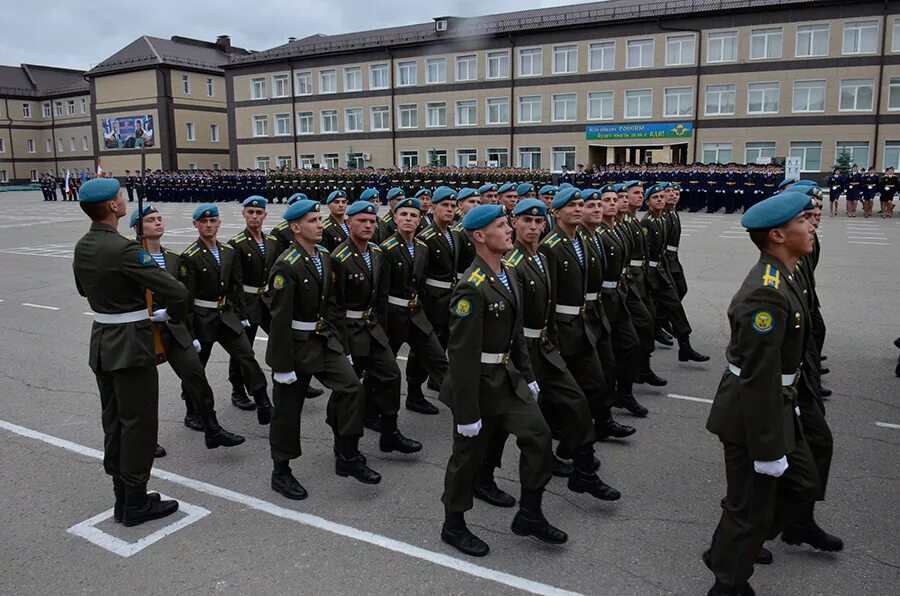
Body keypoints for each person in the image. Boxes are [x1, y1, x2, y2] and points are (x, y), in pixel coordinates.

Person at [703, 191, 822, 596]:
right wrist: (768, 447)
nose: (811, 225)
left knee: (802, 484)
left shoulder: (787, 275)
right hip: (752, 414)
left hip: (780, 404)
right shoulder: (765, 293)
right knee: (751, 507)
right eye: (803, 221)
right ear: (777, 235)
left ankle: (728, 548)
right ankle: (728, 582)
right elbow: (757, 378)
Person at [440, 204, 566, 557]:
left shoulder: (508, 272)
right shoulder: (471, 287)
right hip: (478, 384)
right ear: (480, 236)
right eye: (500, 226)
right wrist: (466, 412)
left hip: (509, 378)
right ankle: (453, 524)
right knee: (467, 457)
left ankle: (530, 514)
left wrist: (529, 376)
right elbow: (461, 356)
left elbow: (516, 334)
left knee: (539, 436)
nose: (509, 229)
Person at [73, 177, 186, 527]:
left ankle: (122, 497)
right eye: (120, 197)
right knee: (138, 422)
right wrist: (170, 312)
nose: (123, 200)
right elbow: (176, 291)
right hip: (131, 343)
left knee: (115, 420)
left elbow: (82, 289)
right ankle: (135, 502)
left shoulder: (83, 245)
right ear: (112, 207)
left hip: (103, 340)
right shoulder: (124, 249)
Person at [267, 199, 381, 500]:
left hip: (325, 339)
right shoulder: (285, 266)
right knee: (287, 411)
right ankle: (281, 471)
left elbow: (333, 306)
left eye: (319, 219)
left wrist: (342, 346)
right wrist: (281, 366)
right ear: (295, 228)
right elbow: (278, 319)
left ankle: (347, 454)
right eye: (312, 221)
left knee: (352, 389)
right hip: (295, 346)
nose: (320, 225)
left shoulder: (325, 257)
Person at [130, 205, 245, 451]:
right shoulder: (131, 257)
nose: (158, 222)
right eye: (150, 220)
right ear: (137, 228)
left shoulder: (173, 257)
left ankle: (211, 428)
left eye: (160, 218)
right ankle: (145, 441)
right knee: (143, 390)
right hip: (143, 330)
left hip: (173, 326)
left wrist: (183, 324)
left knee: (195, 373)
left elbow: (185, 296)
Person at [540, 188, 636, 441]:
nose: (579, 209)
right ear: (556, 212)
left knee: (601, 375)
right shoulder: (550, 246)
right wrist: (552, 333)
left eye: (581, 204)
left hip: (589, 317)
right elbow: (548, 295)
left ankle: (602, 422)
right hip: (564, 325)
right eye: (572, 205)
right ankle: (559, 433)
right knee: (563, 386)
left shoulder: (583, 240)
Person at [332, 200, 422, 454]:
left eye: (372, 221)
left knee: (391, 375)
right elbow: (334, 307)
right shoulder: (339, 257)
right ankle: (344, 445)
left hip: (372, 327)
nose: (368, 225)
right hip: (350, 331)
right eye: (362, 220)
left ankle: (390, 433)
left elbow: (381, 298)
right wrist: (343, 346)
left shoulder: (376, 253)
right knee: (348, 390)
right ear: (349, 222)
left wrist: (381, 328)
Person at [178, 204, 273, 429]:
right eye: (203, 222)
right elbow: (187, 299)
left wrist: (241, 314)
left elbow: (235, 286)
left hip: (226, 314)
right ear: (195, 225)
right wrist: (189, 333)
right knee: (196, 368)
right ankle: (192, 412)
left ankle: (263, 401)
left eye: (213, 221)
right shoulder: (189, 257)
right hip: (202, 318)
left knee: (246, 355)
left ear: (220, 223)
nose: (209, 225)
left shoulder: (227, 252)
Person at [380, 197, 449, 415]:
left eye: (413, 216)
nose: (408, 219)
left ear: (420, 220)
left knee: (437, 358)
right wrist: (380, 327)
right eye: (403, 215)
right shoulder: (386, 250)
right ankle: (372, 413)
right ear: (395, 218)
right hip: (393, 316)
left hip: (416, 313)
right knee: (383, 368)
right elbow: (380, 294)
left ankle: (462, 408)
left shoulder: (421, 247)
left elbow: (421, 283)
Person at [642, 184, 709, 363]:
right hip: (654, 271)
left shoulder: (664, 217)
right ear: (647, 202)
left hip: (663, 266)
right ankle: (666, 336)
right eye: (658, 197)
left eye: (663, 197)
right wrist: (649, 276)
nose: (664, 199)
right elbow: (646, 252)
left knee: (674, 301)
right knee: (671, 305)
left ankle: (677, 340)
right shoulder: (648, 221)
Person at [227, 196, 279, 411]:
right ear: (244, 214)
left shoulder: (272, 242)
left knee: (280, 342)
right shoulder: (236, 244)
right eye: (251, 212)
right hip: (246, 303)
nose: (255, 216)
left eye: (259, 213)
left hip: (267, 301)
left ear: (265, 215)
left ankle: (285, 381)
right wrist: (239, 312)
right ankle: (238, 391)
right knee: (242, 350)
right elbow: (235, 281)